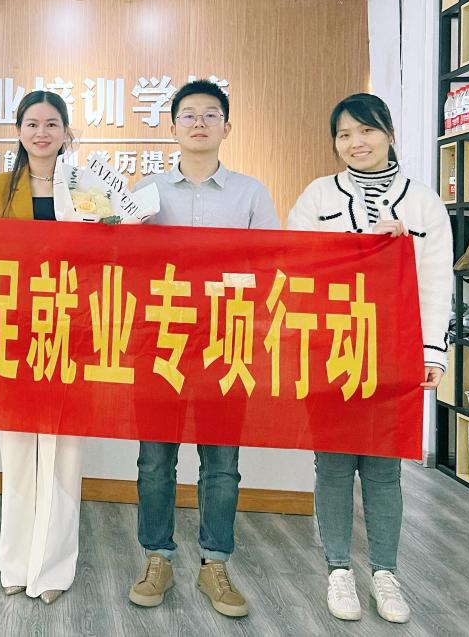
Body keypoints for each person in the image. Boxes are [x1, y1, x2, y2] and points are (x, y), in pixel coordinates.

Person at [287, 93, 451, 624]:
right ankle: (338, 569)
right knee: (333, 465)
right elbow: (296, 265)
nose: (356, 142)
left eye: (367, 131)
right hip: (331, 349)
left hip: (393, 353)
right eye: (344, 135)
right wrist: (360, 245)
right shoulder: (318, 196)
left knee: (383, 469)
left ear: (389, 135)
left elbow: (435, 282)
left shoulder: (423, 203)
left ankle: (385, 573)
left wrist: (432, 352)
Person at [128, 79, 279, 618]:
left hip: (225, 340)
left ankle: (215, 562)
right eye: (188, 115)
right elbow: (127, 264)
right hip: (161, 341)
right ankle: (157, 557)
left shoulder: (251, 194)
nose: (199, 122)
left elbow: (269, 268)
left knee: (221, 462)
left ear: (226, 127)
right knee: (155, 459)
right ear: (172, 127)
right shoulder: (146, 193)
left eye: (210, 114)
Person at [0, 90, 80, 605]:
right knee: (17, 452)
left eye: (51, 124)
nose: (42, 133)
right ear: (19, 131)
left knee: (64, 454)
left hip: (73, 332)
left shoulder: (85, 187)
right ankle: (16, 564)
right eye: (32, 124)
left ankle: (54, 568)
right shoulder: (0, 188)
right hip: (15, 332)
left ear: (65, 131)